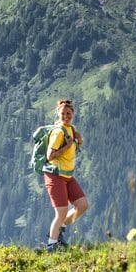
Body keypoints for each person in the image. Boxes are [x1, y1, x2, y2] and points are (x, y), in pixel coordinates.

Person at [43, 99, 89, 252]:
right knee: (61, 212)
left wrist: (78, 139)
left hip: (67, 176)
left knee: (82, 205)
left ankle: (59, 229)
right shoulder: (58, 132)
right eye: (63, 113)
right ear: (58, 114)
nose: (66, 116)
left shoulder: (71, 128)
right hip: (55, 175)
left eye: (68, 113)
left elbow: (77, 144)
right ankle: (52, 244)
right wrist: (67, 146)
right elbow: (50, 156)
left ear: (73, 114)